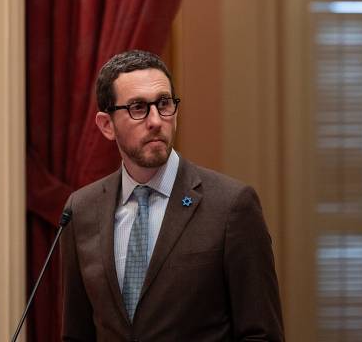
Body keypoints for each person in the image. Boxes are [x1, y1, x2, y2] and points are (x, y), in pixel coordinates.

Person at [60, 49, 284, 341]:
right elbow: (77, 334)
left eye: (164, 104)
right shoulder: (81, 209)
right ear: (106, 126)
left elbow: (261, 334)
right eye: (138, 108)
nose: (155, 120)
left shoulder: (231, 206)